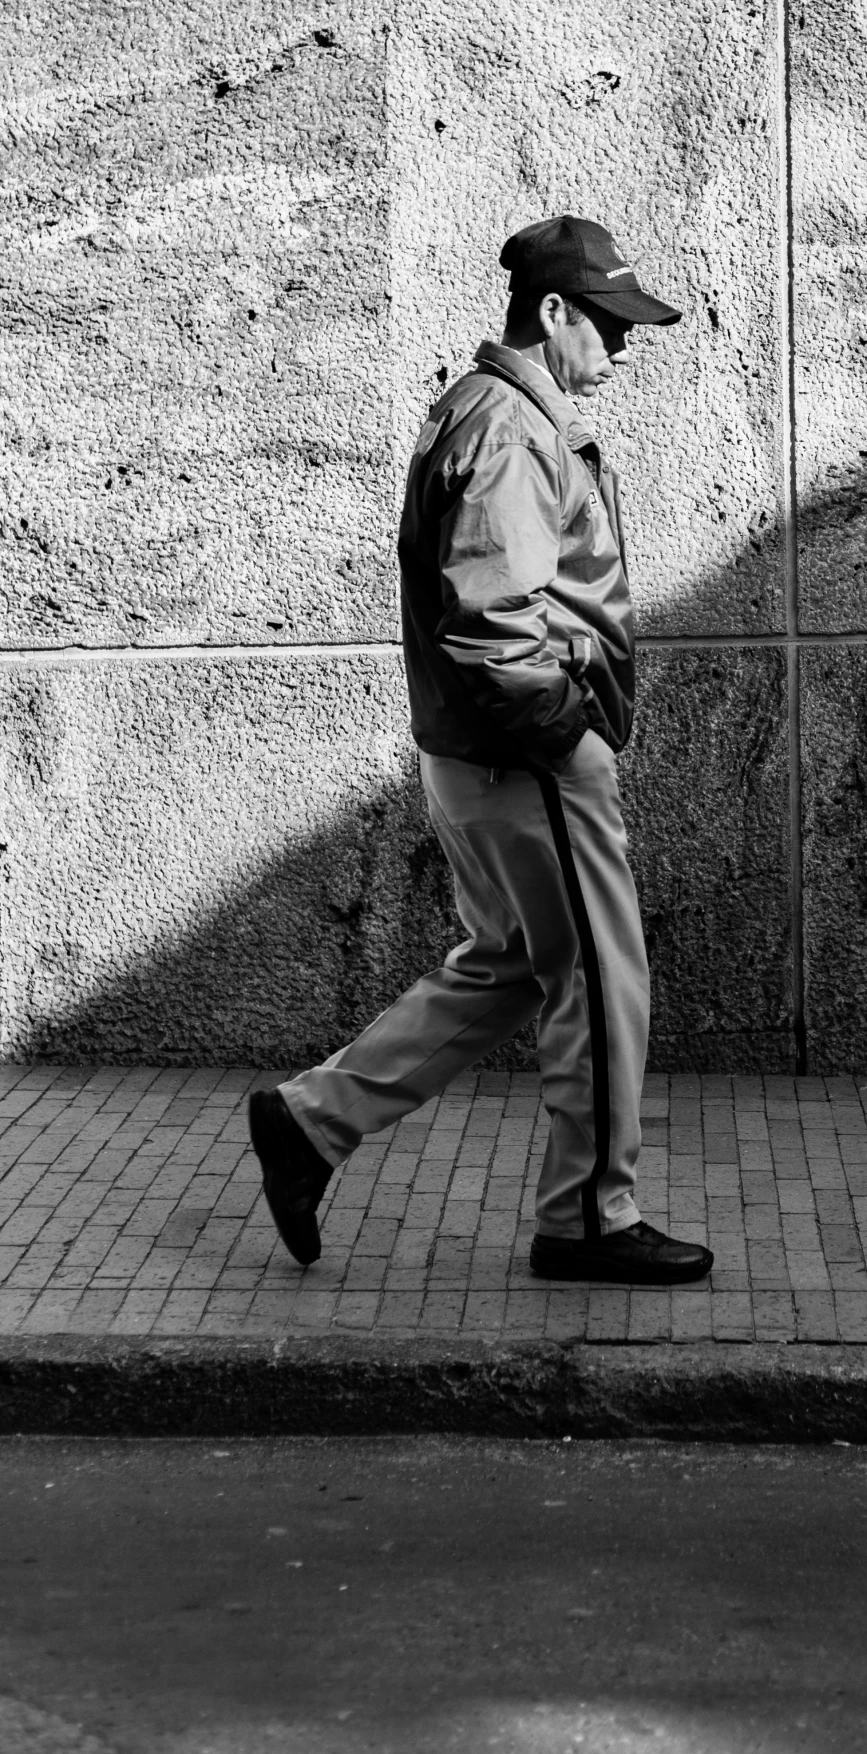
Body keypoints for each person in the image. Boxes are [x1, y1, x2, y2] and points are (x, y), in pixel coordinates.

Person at [245, 215, 714, 1287]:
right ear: (553, 313)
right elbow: (495, 618)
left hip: (476, 757)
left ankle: (312, 1120)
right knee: (600, 981)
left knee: (507, 967)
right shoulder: (509, 426)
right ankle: (589, 1218)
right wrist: (567, 736)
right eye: (608, 322)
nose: (622, 345)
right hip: (524, 758)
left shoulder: (486, 410)